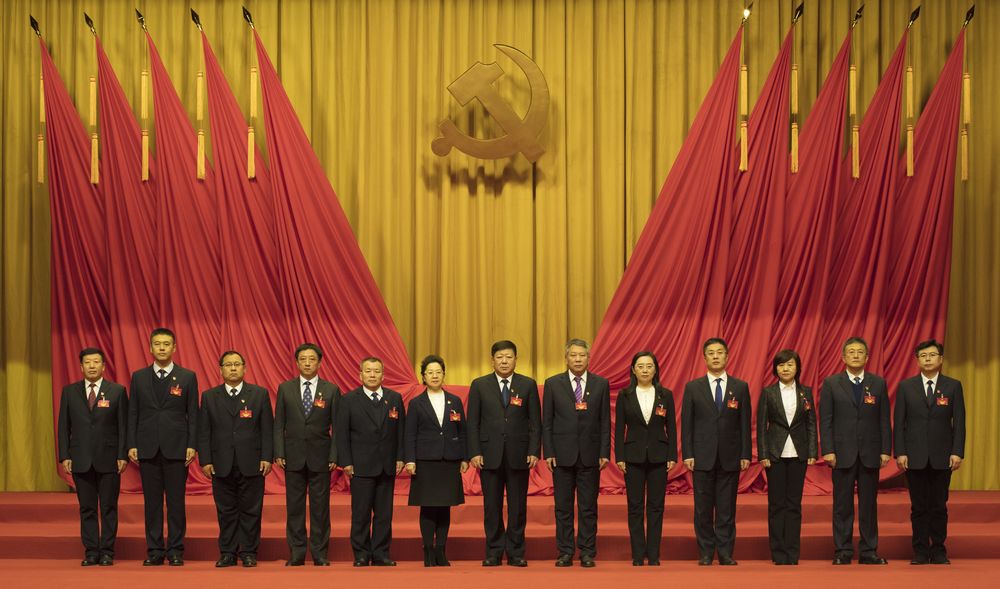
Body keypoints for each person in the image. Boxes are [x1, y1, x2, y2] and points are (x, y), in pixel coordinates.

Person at [127, 327, 198, 566]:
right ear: (150, 348)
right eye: (157, 344)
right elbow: (133, 412)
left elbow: (193, 414)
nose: (162, 348)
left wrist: (192, 444)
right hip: (147, 447)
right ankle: (155, 550)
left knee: (176, 503)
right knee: (152, 503)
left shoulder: (187, 377)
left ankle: (176, 550)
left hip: (177, 448)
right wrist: (132, 443)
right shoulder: (139, 377)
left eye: (166, 344)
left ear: (174, 348)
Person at [467, 340, 541, 567]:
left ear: (516, 359)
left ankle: (516, 552)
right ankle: (494, 551)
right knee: (492, 507)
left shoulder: (528, 385)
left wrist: (534, 450)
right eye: (500, 357)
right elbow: (473, 423)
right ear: (492, 361)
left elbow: (535, 422)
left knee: (518, 507)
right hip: (489, 454)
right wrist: (475, 451)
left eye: (509, 357)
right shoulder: (479, 385)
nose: (504, 361)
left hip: (519, 454)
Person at [819, 336, 891, 565]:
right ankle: (843, 550)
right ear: (843, 357)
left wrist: (885, 450)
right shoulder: (831, 383)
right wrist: (828, 449)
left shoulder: (878, 383)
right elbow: (826, 420)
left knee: (869, 505)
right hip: (842, 453)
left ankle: (869, 551)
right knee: (842, 505)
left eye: (860, 352)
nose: (856, 355)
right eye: (851, 352)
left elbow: (884, 419)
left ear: (867, 357)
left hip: (870, 452)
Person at [198, 351, 273, 568]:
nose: (233, 368)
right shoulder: (210, 396)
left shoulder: (259, 394)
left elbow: (267, 429)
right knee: (226, 510)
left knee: (251, 510)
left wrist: (267, 457)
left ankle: (249, 552)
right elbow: (204, 431)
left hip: (252, 461)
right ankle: (228, 552)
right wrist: (205, 460)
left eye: (237, 364)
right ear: (221, 369)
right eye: (228, 365)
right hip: (220, 462)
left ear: (244, 368)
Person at [894, 339, 966, 565]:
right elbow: (899, 422)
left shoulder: (953, 386)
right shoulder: (906, 387)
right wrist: (900, 452)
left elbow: (959, 423)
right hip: (914, 456)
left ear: (940, 359)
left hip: (942, 456)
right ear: (917, 361)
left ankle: (939, 550)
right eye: (923, 356)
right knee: (918, 507)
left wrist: (957, 451)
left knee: (938, 506)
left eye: (932, 355)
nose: (927, 359)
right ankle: (920, 551)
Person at [681, 337, 751, 566]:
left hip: (730, 456)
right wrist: (688, 453)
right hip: (702, 456)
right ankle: (705, 552)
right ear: (704, 358)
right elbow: (687, 424)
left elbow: (744, 423)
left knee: (726, 508)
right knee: (702, 509)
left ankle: (725, 552)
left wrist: (745, 454)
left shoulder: (740, 387)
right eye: (711, 353)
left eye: (719, 352)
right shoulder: (693, 387)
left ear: (727, 356)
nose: (715, 356)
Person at [543, 338, 611, 568]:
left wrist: (604, 452)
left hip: (590, 454)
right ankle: (565, 551)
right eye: (573, 355)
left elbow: (604, 422)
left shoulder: (601, 384)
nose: (578, 359)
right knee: (563, 507)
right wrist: (549, 451)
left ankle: (587, 552)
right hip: (561, 455)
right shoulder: (553, 383)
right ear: (566, 358)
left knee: (588, 507)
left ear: (589, 358)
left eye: (582, 355)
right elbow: (547, 422)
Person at [57, 347, 128, 566]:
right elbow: (63, 426)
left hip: (109, 458)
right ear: (81, 367)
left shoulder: (117, 391)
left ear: (103, 366)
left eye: (96, 362)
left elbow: (123, 427)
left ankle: (107, 551)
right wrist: (65, 455)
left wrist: (122, 455)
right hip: (80, 458)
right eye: (87, 363)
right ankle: (91, 551)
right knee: (87, 508)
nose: (92, 366)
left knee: (108, 507)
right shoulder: (70, 392)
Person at [273, 343, 339, 566]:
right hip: (292, 456)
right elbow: (278, 424)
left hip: (321, 457)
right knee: (295, 507)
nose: (308, 363)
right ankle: (297, 552)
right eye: (303, 359)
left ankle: (320, 552)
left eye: (312, 359)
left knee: (321, 508)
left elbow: (338, 427)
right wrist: (279, 452)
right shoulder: (285, 388)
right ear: (297, 362)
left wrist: (334, 455)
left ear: (319, 363)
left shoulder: (331, 390)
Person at [338, 356, 405, 567]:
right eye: (368, 371)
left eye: (377, 371)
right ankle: (361, 554)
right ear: (360, 375)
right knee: (361, 513)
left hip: (387, 465)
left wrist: (400, 457)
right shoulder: (349, 400)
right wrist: (346, 461)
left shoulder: (394, 398)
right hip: (360, 465)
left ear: (383, 375)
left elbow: (401, 431)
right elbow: (341, 434)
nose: (372, 375)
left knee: (384, 514)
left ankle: (381, 553)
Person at [404, 355, 468, 566]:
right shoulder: (416, 403)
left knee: (445, 507)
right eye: (430, 372)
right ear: (423, 376)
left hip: (449, 461)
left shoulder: (454, 401)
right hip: (425, 461)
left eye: (438, 372)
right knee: (428, 507)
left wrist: (464, 457)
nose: (434, 376)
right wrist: (410, 460)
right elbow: (409, 434)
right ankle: (428, 550)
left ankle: (441, 550)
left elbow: (462, 431)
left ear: (443, 374)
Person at [613, 351, 677, 566]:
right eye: (640, 366)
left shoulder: (665, 395)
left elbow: (672, 427)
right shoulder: (625, 395)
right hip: (633, 456)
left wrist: (672, 454)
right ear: (633, 370)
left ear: (655, 369)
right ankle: (638, 554)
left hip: (659, 456)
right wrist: (620, 456)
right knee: (635, 506)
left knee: (656, 506)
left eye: (649, 366)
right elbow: (619, 428)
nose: (645, 370)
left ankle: (654, 554)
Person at [756, 349, 817, 566]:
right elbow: (761, 426)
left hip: (799, 453)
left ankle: (792, 552)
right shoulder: (768, 393)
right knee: (776, 505)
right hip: (775, 454)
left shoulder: (805, 392)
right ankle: (778, 552)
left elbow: (811, 423)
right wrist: (763, 454)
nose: (785, 369)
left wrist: (812, 452)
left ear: (797, 368)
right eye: (781, 365)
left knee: (794, 504)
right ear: (776, 369)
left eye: (790, 365)